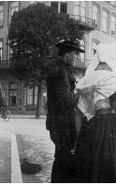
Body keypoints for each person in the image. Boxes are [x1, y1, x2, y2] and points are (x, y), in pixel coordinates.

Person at [74, 43, 116, 182]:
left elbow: (78, 115)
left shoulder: (85, 80)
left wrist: (79, 141)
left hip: (88, 131)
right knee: (109, 172)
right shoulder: (112, 80)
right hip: (109, 131)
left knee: (89, 173)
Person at [45, 40, 85, 182]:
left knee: (63, 161)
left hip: (61, 126)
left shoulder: (61, 70)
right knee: (64, 162)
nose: (78, 57)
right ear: (67, 54)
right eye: (76, 54)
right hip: (63, 128)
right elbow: (65, 101)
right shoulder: (61, 72)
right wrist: (80, 91)